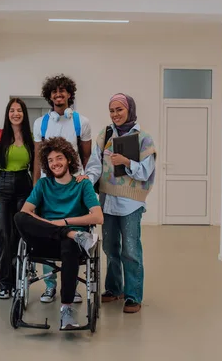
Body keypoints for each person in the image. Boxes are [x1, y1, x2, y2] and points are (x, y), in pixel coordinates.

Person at [14, 137, 103, 329]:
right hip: (47, 241)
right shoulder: (44, 184)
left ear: (69, 159)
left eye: (59, 158)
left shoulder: (83, 184)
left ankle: (67, 308)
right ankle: (71, 234)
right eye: (51, 160)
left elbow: (98, 217)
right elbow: (26, 212)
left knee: (69, 244)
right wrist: (66, 230)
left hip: (70, 247)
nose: (55, 163)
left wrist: (64, 222)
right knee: (19, 217)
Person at [81, 93, 156, 314]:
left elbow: (145, 172)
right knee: (109, 247)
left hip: (131, 202)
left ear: (129, 110)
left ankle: (133, 295)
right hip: (106, 200)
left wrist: (126, 161)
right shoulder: (104, 135)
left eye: (119, 110)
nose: (115, 115)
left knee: (131, 250)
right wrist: (87, 179)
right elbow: (95, 165)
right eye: (112, 110)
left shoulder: (144, 138)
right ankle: (114, 289)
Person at [32, 74, 92, 304]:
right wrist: (36, 186)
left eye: (63, 91)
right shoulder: (41, 123)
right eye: (54, 91)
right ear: (49, 96)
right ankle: (49, 286)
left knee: (73, 230)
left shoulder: (81, 122)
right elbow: (39, 158)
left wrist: (88, 181)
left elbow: (86, 156)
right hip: (49, 185)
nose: (59, 94)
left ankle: (72, 286)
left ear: (69, 94)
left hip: (75, 185)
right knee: (47, 230)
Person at [0, 98, 34, 299]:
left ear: (24, 114)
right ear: (8, 114)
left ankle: (18, 282)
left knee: (21, 236)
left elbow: (34, 167)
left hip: (24, 185)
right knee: (4, 237)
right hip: (3, 186)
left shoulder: (30, 137)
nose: (16, 113)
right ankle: (4, 283)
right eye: (12, 110)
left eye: (19, 110)